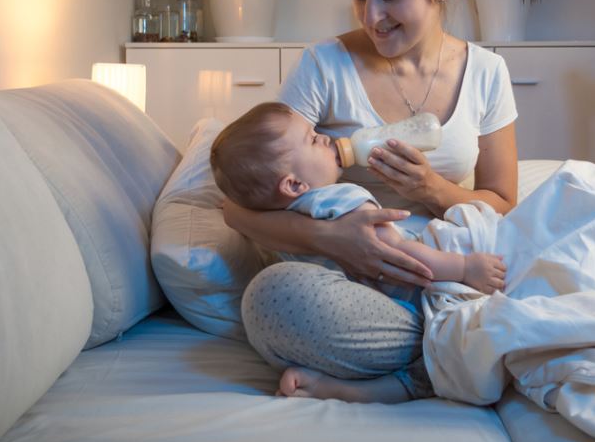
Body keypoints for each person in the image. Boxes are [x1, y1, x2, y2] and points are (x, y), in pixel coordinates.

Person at [224, 0, 519, 404]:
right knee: (270, 300)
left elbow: (503, 204)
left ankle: (455, 348)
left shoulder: (487, 73)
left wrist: (433, 188)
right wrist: (337, 240)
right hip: (360, 292)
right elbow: (239, 205)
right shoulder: (324, 65)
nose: (373, 17)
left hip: (446, 274)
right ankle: (469, 351)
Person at [209, 100, 508, 305]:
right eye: (313, 140)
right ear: (294, 184)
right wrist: (464, 268)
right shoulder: (341, 199)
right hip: (414, 290)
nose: (326, 138)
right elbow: (400, 252)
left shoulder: (280, 228)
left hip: (364, 300)